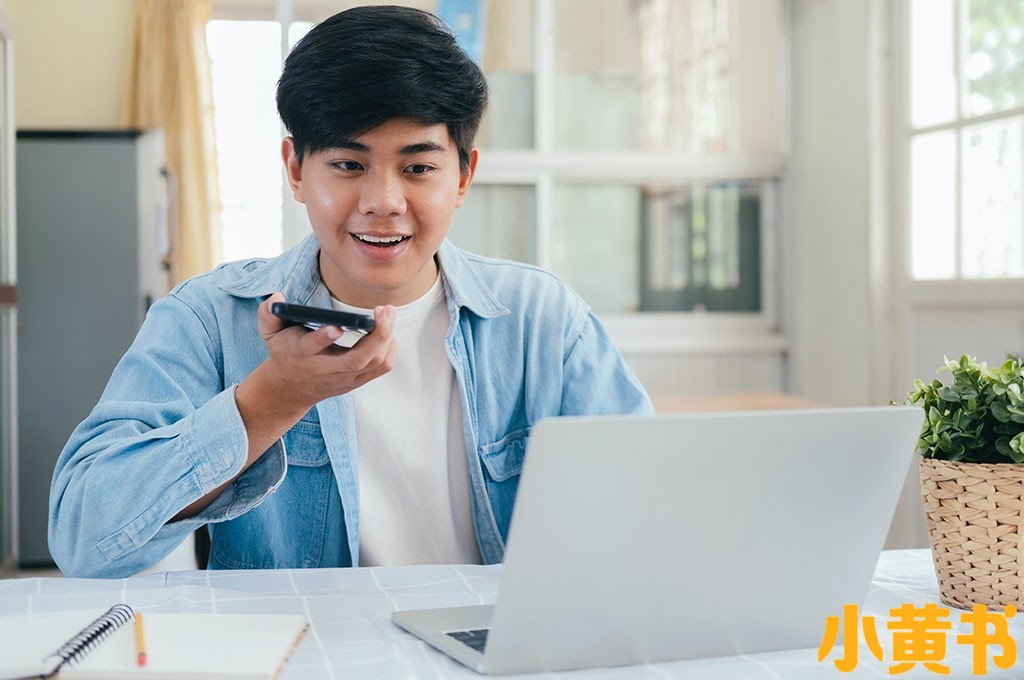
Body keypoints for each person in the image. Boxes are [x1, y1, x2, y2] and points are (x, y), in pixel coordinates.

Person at [49, 5, 652, 578]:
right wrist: (271, 400)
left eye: (418, 167)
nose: (383, 202)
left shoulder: (543, 320)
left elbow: (650, 511)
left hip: (492, 649)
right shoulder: (208, 319)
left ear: (463, 175)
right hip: (307, 650)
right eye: (347, 165)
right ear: (296, 170)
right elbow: (83, 538)